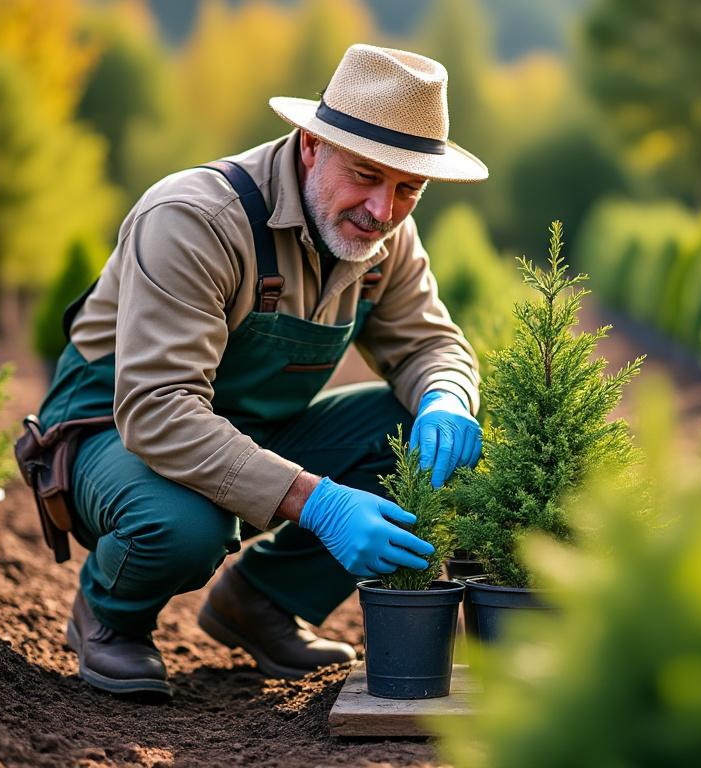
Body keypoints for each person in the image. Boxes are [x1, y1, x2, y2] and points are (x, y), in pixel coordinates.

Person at [35, 43, 487, 700]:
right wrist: (319, 503)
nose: (382, 211)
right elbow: (158, 410)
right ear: (312, 144)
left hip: (250, 429)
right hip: (116, 432)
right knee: (185, 526)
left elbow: (429, 344)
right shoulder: (196, 219)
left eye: (407, 188)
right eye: (366, 175)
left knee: (422, 435)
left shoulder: (384, 237)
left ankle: (262, 602)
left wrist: (446, 396)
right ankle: (110, 616)